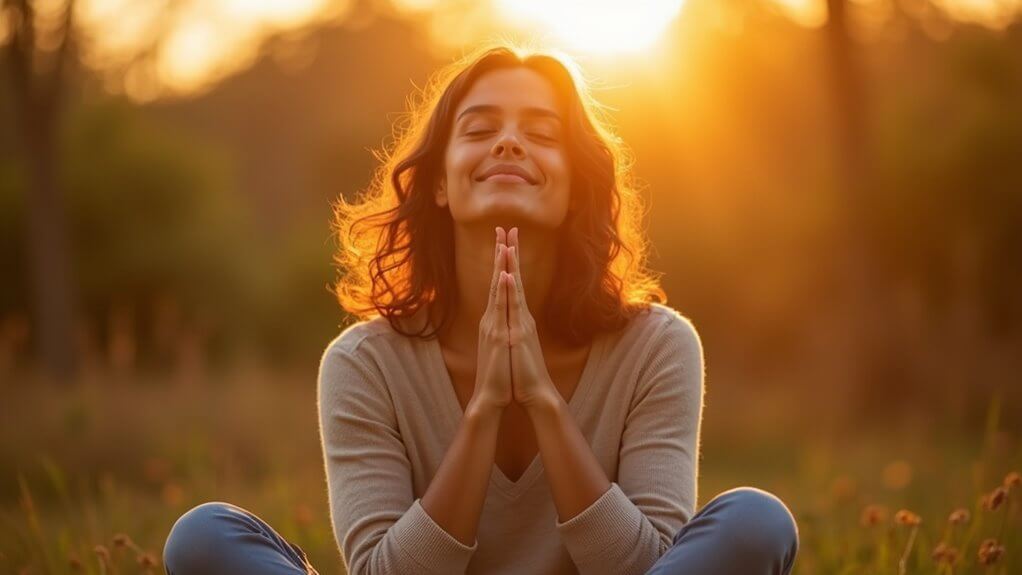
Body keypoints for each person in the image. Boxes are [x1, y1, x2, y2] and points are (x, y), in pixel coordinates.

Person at [163, 44, 799, 575]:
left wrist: (545, 403)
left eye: (541, 134)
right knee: (204, 538)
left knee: (754, 521)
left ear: (576, 184)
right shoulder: (364, 363)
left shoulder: (657, 346)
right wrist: (484, 411)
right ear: (440, 182)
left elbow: (651, 565)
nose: (510, 145)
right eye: (479, 130)